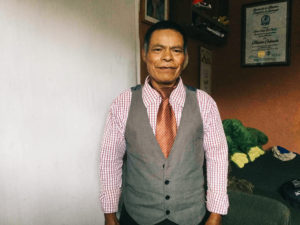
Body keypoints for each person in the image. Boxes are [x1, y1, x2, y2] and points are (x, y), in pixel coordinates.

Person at [100, 21, 229, 225]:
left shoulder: (204, 103)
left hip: (192, 217)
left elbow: (218, 158)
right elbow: (110, 159)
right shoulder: (123, 103)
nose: (167, 57)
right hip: (137, 217)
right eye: (158, 49)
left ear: (185, 58)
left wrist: (216, 213)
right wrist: (109, 212)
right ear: (145, 54)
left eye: (176, 50)